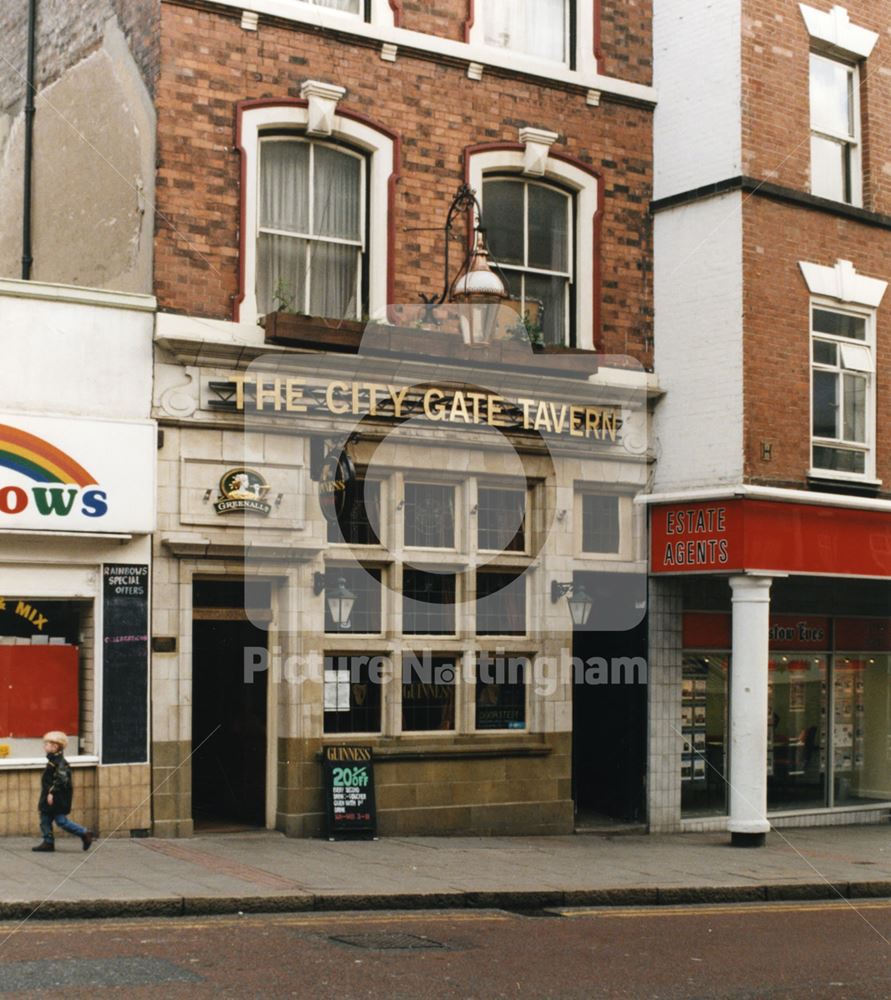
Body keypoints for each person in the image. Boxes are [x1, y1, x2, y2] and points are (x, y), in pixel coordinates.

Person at [31, 731, 93, 853]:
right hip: (51, 796)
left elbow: (61, 780)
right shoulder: (53, 761)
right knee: (45, 818)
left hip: (56, 797)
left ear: (55, 747)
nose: (45, 746)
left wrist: (51, 793)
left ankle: (84, 833)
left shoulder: (59, 763)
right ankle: (48, 842)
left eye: (47, 744)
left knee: (61, 821)